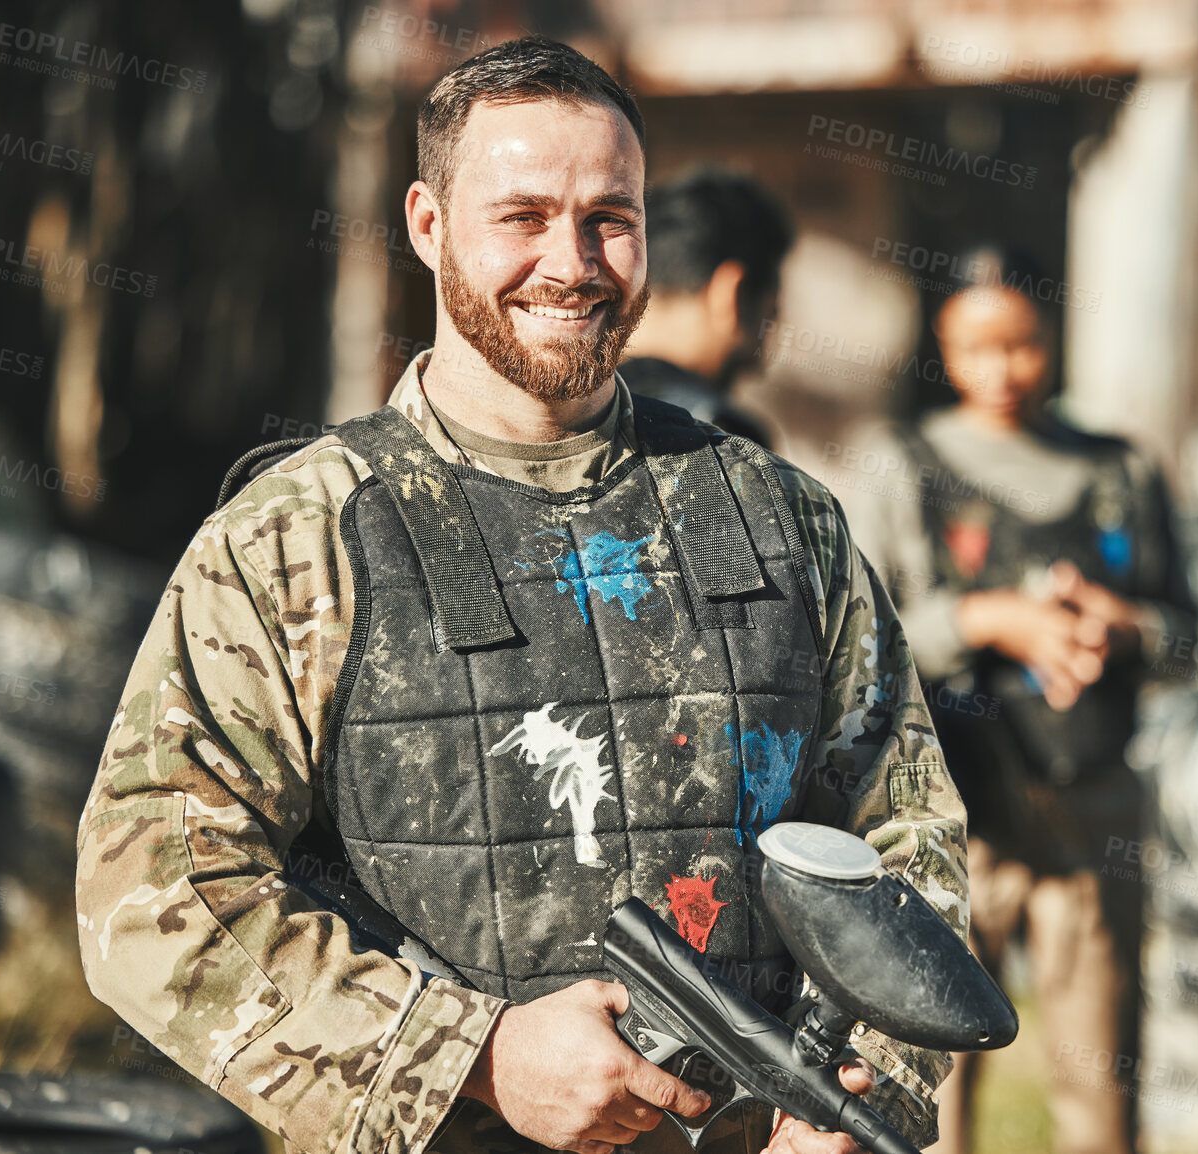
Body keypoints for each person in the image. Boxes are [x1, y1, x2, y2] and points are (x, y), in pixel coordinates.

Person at [75, 36, 968, 1154]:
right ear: (427, 223)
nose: (574, 260)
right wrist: (475, 1056)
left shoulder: (782, 519)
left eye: (610, 216)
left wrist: (860, 1094)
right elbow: (152, 888)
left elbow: (907, 831)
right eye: (523, 215)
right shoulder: (294, 538)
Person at [844, 249, 1198, 1154]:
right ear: (941, 345)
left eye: (1023, 345)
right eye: (975, 348)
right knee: (937, 1073)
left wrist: (1123, 629)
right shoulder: (901, 467)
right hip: (955, 814)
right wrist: (984, 617)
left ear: (1054, 338)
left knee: (1099, 1064)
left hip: (1092, 806)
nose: (1001, 370)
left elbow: (1185, 639)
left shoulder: (1119, 470)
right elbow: (861, 638)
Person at [617, 169, 793, 447]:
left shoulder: (565, 416)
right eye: (770, 315)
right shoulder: (724, 441)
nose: (762, 361)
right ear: (730, 296)